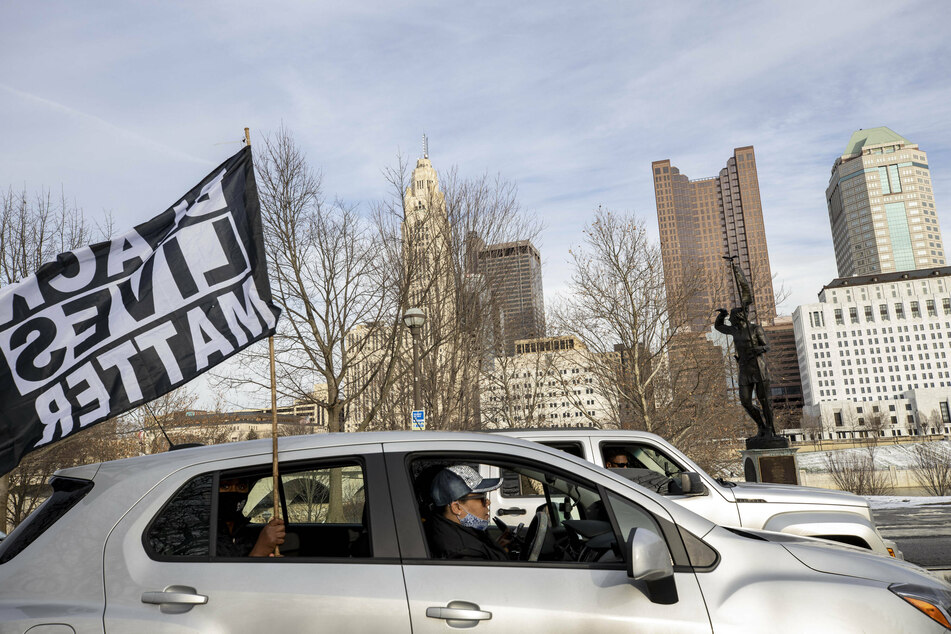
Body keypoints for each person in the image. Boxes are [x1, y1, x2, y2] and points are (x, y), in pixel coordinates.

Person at [715, 306, 776, 438]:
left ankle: (770, 429)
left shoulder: (755, 329)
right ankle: (761, 426)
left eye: (731, 316)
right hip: (744, 369)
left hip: (759, 368)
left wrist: (758, 349)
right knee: (745, 401)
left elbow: (767, 346)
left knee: (764, 400)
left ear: (739, 317)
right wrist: (722, 315)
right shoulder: (735, 331)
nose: (730, 319)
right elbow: (718, 326)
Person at [425, 465, 509, 561]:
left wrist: (495, 548)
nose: (488, 502)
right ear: (456, 508)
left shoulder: (446, 528)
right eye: (482, 498)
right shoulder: (465, 554)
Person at [217, 477, 286, 557]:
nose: (233, 491)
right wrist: (260, 551)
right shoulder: (203, 534)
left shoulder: (249, 531)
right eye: (225, 486)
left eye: (241, 487)